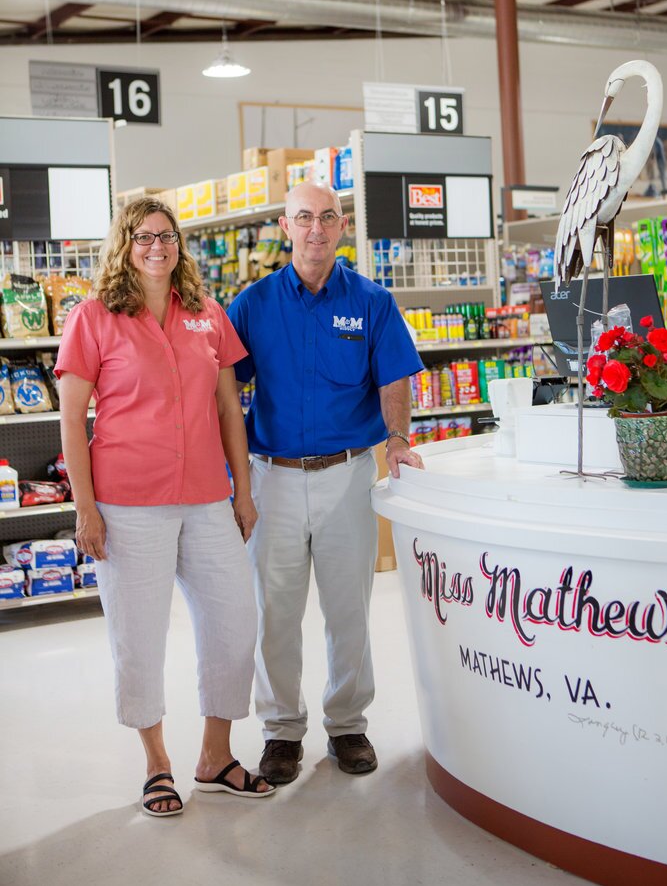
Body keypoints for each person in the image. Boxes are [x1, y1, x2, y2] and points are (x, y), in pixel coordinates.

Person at [56, 197, 274, 818]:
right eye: (145, 237)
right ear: (125, 246)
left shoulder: (207, 313)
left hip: (206, 497)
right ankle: (156, 764)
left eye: (167, 236)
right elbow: (72, 419)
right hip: (127, 502)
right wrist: (85, 509)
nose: (158, 246)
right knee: (139, 636)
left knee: (236, 622)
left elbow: (229, 408)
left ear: (180, 244)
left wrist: (244, 492)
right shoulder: (92, 317)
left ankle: (215, 756)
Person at [227, 182, 424, 784]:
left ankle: (347, 725)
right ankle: (281, 731)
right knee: (275, 613)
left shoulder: (372, 302)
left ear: (342, 226)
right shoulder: (253, 305)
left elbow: (394, 378)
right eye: (305, 217)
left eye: (328, 217)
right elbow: (224, 389)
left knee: (349, 611)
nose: (317, 228)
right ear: (285, 227)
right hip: (274, 479)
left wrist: (397, 439)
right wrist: (229, 473)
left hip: (348, 475)